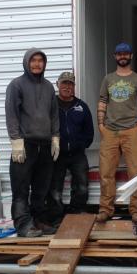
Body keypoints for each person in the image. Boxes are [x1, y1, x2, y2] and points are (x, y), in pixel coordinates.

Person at [6, 48, 60, 237]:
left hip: (44, 146)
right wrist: (16, 141)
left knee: (41, 188)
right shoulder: (16, 85)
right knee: (21, 188)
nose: (37, 64)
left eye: (40, 60)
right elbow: (11, 114)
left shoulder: (48, 87)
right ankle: (23, 225)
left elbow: (54, 114)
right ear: (26, 62)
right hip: (25, 145)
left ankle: (39, 221)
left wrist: (55, 137)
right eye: (33, 60)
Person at [97, 42, 137, 224]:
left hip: (131, 131)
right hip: (110, 131)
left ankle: (136, 210)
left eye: (126, 53)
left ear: (131, 56)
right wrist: (101, 125)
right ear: (115, 56)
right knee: (106, 172)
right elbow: (103, 101)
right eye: (119, 54)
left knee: (136, 172)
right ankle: (105, 209)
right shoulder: (108, 79)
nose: (122, 56)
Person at [45, 71, 94, 224]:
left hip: (78, 154)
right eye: (64, 83)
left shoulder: (81, 106)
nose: (67, 87)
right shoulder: (50, 105)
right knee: (55, 188)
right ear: (57, 84)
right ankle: (56, 218)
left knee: (82, 186)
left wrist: (81, 145)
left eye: (70, 84)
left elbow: (89, 131)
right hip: (56, 154)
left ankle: (76, 214)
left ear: (74, 86)